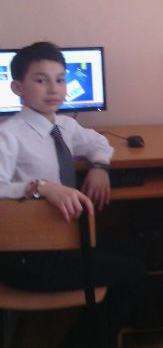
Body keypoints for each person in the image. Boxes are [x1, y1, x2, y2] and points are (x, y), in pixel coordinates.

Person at [0, 42, 146, 348]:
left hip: (65, 238)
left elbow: (98, 143)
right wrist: (39, 186)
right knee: (133, 272)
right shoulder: (8, 135)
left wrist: (99, 167)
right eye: (41, 80)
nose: (53, 88)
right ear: (17, 88)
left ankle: (95, 332)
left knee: (137, 249)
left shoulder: (64, 126)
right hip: (29, 256)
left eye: (60, 79)